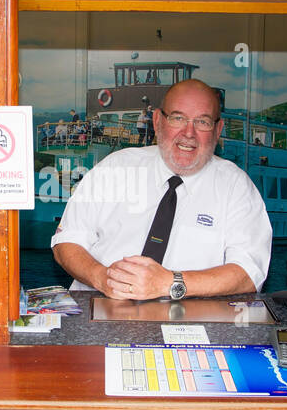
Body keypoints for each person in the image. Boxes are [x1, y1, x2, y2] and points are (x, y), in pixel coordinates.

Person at [51, 78, 272, 300]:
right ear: (157, 121)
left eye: (202, 122)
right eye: (178, 118)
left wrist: (170, 283)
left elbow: (248, 272)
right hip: (98, 314)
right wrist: (103, 278)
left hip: (188, 327)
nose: (189, 133)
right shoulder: (115, 167)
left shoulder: (236, 187)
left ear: (218, 130)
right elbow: (67, 241)